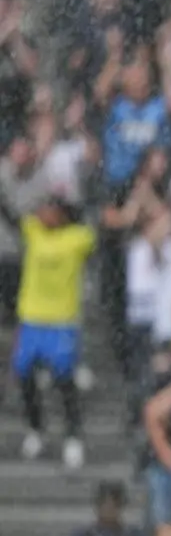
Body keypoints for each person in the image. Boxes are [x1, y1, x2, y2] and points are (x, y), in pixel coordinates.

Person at [1, 195, 96, 468]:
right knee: (25, 378)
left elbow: (94, 231)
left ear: (62, 214)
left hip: (62, 322)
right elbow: (10, 214)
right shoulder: (33, 232)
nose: (43, 214)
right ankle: (36, 429)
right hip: (31, 320)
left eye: (49, 210)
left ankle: (73, 436)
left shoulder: (78, 238)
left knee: (65, 382)